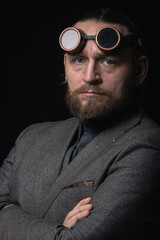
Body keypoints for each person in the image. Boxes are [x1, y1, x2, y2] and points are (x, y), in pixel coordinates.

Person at [0, 8, 160, 240]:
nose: (89, 76)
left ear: (139, 70)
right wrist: (57, 230)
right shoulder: (31, 137)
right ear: (65, 67)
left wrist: (7, 212)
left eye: (107, 61)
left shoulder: (149, 148)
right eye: (78, 60)